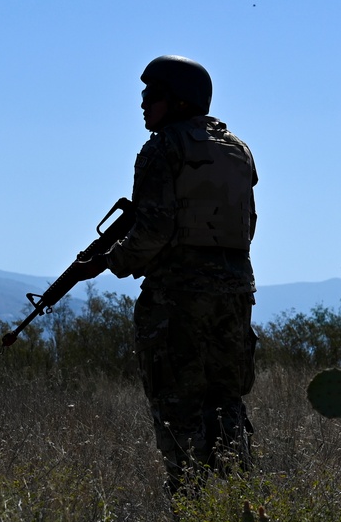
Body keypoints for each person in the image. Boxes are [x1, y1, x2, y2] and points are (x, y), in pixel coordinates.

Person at [93, 55, 258, 495]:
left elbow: (154, 230)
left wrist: (114, 261)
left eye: (153, 95)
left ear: (179, 101)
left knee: (176, 404)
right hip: (235, 292)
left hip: (177, 297)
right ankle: (240, 500)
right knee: (226, 399)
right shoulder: (237, 149)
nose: (144, 103)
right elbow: (248, 225)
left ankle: (190, 505)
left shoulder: (163, 148)